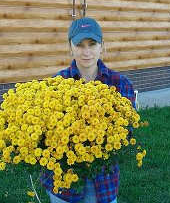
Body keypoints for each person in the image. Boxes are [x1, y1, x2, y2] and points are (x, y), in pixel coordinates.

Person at [41, 17, 136, 203]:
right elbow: (45, 136)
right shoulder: (55, 84)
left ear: (102, 46)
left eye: (92, 44)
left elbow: (126, 133)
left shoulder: (120, 84)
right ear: (70, 47)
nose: (86, 52)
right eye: (79, 45)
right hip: (64, 183)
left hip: (102, 181)